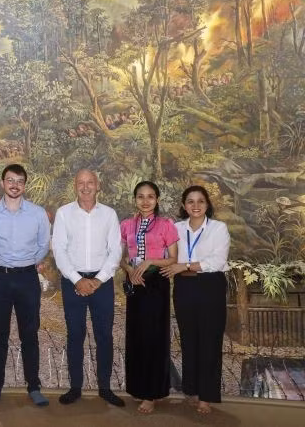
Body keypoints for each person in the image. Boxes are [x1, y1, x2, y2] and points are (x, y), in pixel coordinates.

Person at [0, 164, 51, 406]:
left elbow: (43, 246)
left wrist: (24, 264)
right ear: (2, 182)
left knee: (30, 334)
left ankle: (34, 387)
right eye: (10, 180)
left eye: (19, 180)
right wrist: (0, 264)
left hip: (27, 278)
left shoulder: (38, 214)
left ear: (24, 185)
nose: (15, 185)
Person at [51, 169, 124, 407]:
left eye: (89, 182)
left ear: (97, 185)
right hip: (73, 281)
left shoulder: (109, 214)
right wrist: (77, 279)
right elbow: (59, 250)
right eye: (80, 183)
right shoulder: (63, 213)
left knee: (104, 336)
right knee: (75, 335)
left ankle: (105, 387)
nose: (85, 187)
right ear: (75, 186)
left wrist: (98, 280)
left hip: (102, 283)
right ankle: (75, 387)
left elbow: (115, 251)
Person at [161, 186, 230, 414]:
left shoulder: (219, 228)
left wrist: (186, 265)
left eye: (200, 201)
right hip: (183, 286)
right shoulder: (176, 228)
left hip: (210, 285)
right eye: (190, 201)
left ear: (207, 204)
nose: (196, 205)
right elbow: (167, 256)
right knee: (189, 340)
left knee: (209, 341)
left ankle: (207, 396)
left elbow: (217, 261)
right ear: (184, 205)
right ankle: (191, 389)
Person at [119, 181, 179, 414]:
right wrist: (129, 270)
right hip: (136, 282)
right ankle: (138, 387)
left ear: (157, 200)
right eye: (141, 196)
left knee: (155, 337)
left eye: (150, 197)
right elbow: (122, 257)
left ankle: (152, 393)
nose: (145, 201)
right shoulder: (126, 225)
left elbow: (173, 258)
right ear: (135, 199)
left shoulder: (166, 225)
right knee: (136, 336)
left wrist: (150, 261)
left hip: (156, 284)